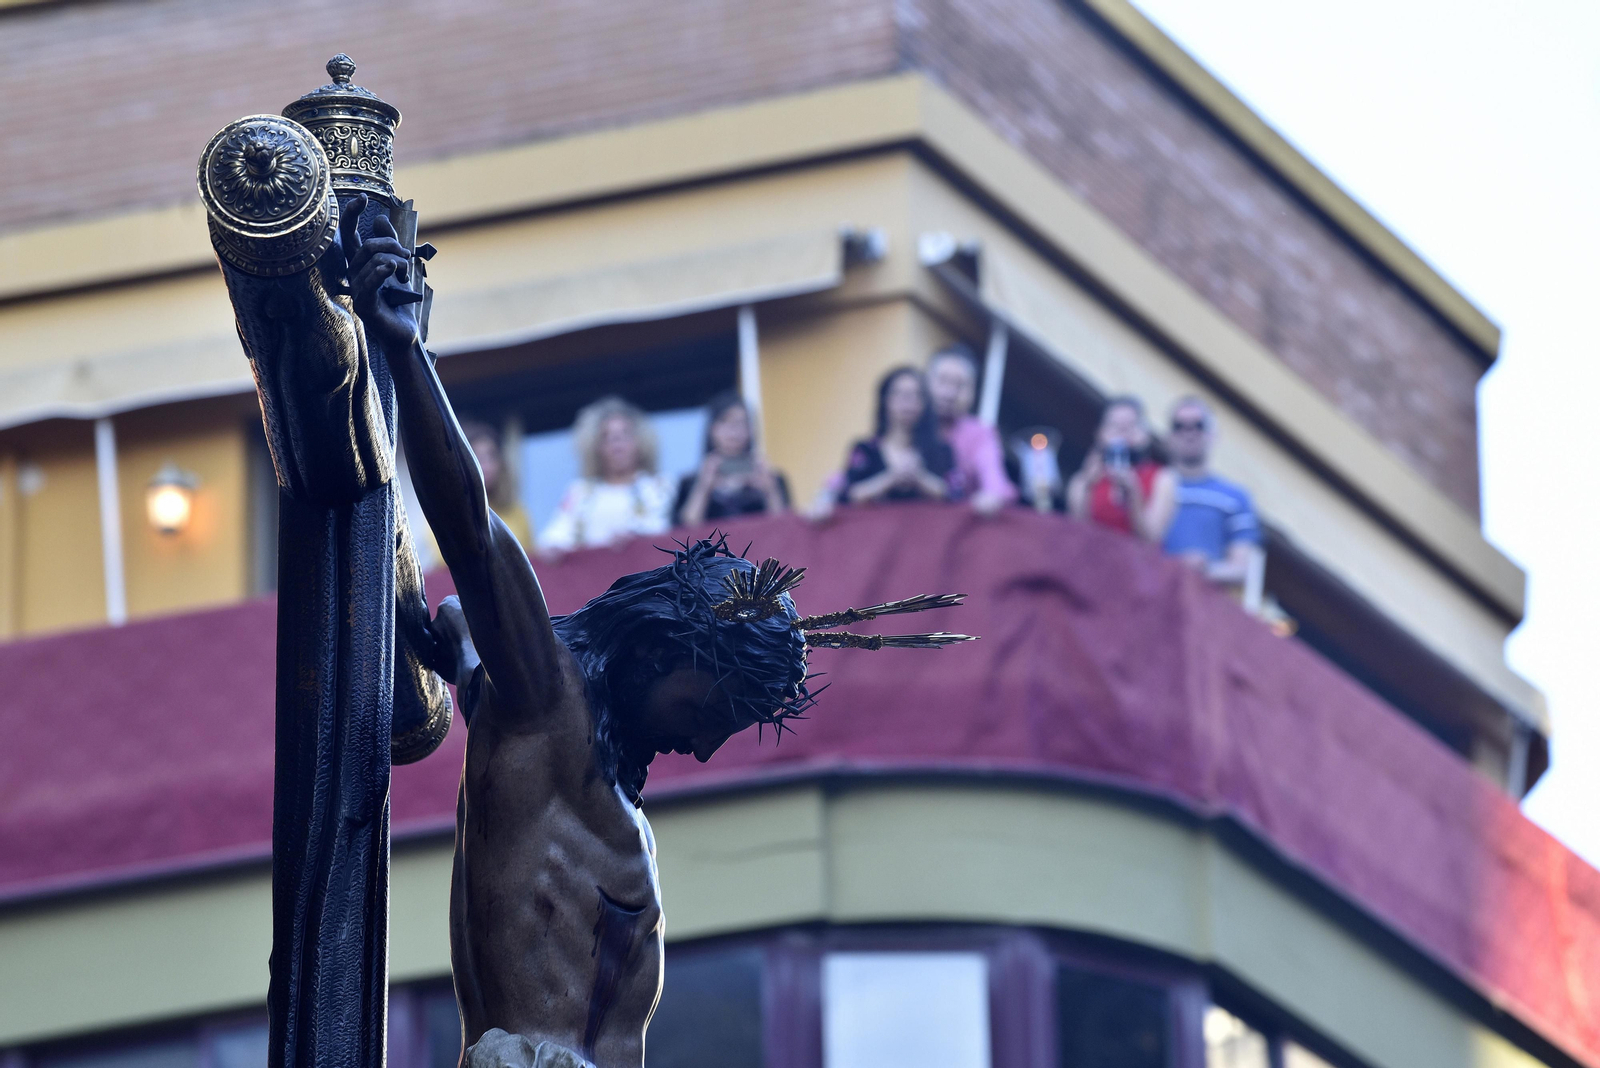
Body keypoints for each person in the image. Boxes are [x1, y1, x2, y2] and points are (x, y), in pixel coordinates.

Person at [343, 198, 971, 1068]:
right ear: (654, 654)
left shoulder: (591, 769)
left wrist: (458, 644)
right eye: (707, 710)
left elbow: (471, 624)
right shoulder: (547, 699)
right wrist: (406, 349)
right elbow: (473, 529)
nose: (706, 748)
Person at [537, 396, 673, 554]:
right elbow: (554, 537)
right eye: (607, 437)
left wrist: (634, 539)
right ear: (596, 449)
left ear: (640, 442)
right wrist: (553, 548)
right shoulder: (580, 492)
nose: (617, 443)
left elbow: (664, 531)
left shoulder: (659, 486)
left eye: (625, 434)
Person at [1161, 396, 1262, 589]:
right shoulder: (1148, 487)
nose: (1189, 433)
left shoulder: (1235, 498)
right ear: (1168, 437)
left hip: (1203, 611)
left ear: (1213, 435)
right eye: (1179, 426)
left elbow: (1241, 569)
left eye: (1198, 425)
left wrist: (1203, 569)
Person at [1066, 395, 1177, 543]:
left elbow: (1151, 541)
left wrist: (1134, 495)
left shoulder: (1162, 477)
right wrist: (1087, 485)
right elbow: (1076, 535)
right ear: (1100, 433)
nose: (1123, 433)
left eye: (1131, 426)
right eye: (1115, 426)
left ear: (1145, 434)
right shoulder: (1084, 480)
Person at [837, 366, 954, 505]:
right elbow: (845, 497)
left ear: (925, 404)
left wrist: (920, 478)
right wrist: (890, 479)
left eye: (916, 395)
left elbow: (957, 495)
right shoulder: (865, 451)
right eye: (900, 394)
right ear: (885, 400)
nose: (908, 402)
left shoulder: (941, 451)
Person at [925, 344, 1018, 515]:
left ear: (973, 393)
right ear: (925, 383)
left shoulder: (980, 434)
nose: (949, 393)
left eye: (960, 386)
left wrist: (992, 497)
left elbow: (994, 482)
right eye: (942, 381)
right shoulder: (908, 424)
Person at [673, 391, 789, 526]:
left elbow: (785, 529)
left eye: (741, 423)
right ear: (711, 429)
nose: (734, 431)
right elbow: (684, 532)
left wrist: (770, 491)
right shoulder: (688, 484)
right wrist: (703, 487)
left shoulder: (774, 480)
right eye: (725, 421)